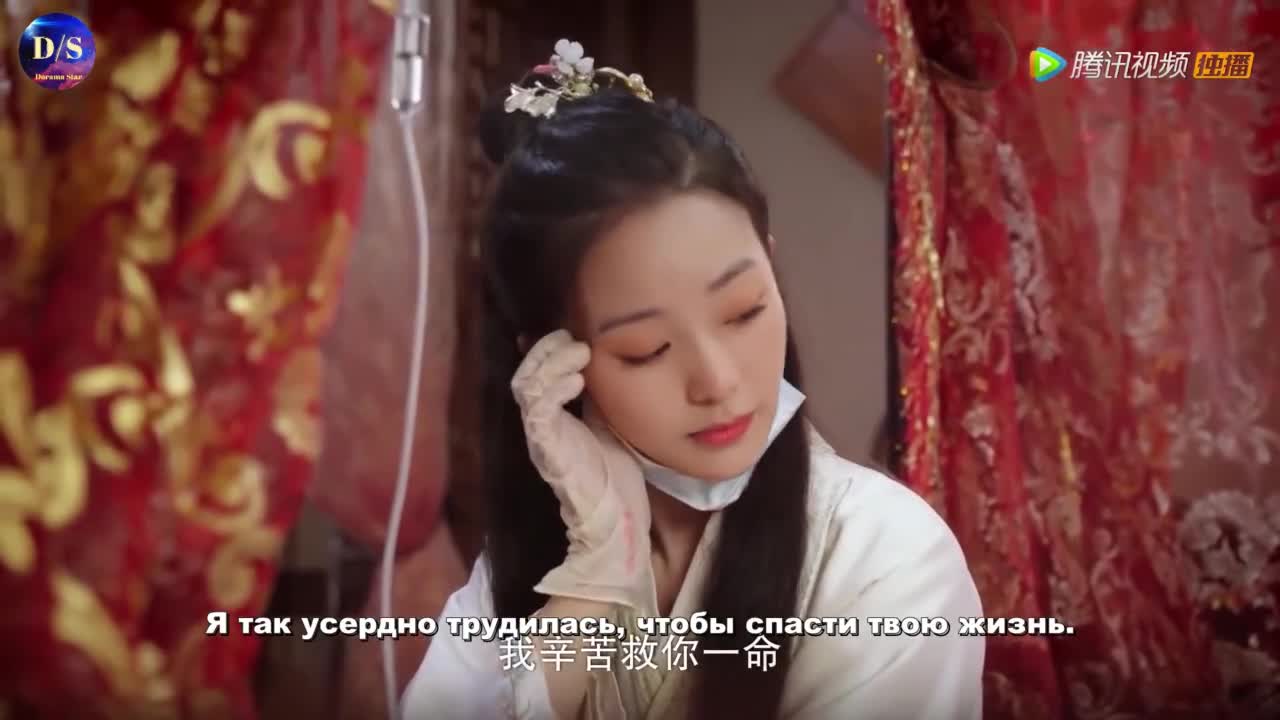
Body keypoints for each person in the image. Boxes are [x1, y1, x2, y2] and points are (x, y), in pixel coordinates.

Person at [402, 39, 984, 720]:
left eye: (744, 312)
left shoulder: (885, 555)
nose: (719, 381)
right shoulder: (526, 564)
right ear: (552, 366)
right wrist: (598, 565)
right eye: (646, 350)